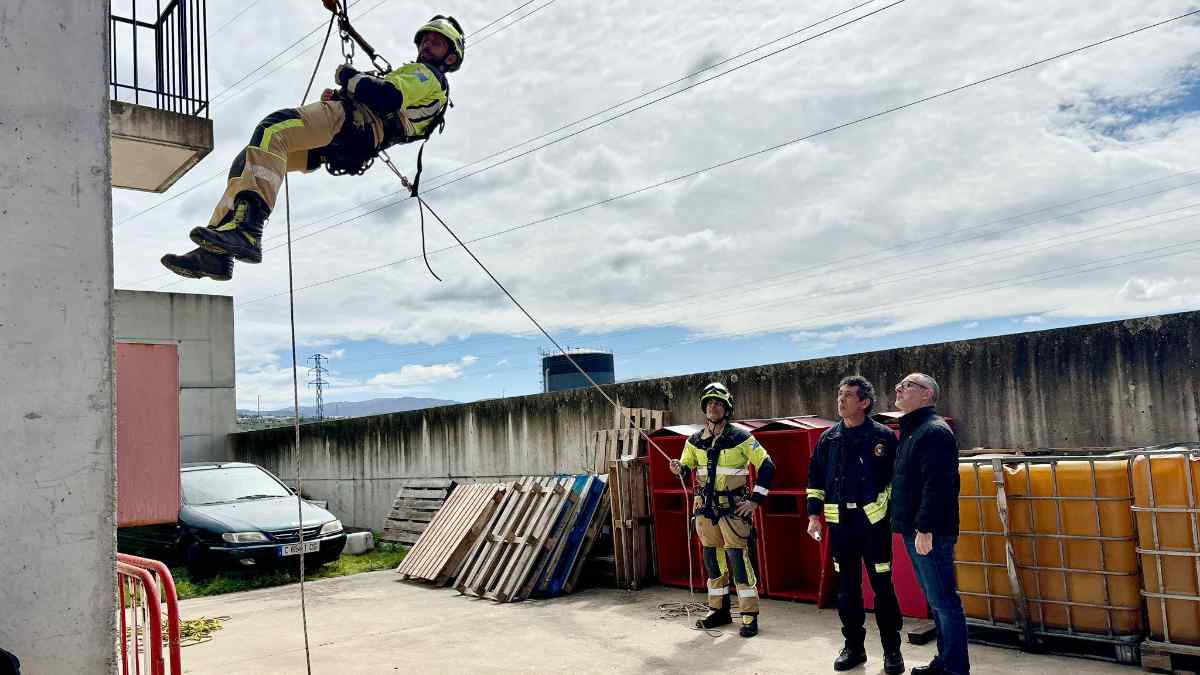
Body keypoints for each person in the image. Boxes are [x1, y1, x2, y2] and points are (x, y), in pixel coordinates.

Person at [161, 9, 465, 281]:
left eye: (436, 42)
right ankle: (216, 252)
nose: (426, 44)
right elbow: (389, 104)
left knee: (273, 129)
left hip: (349, 123)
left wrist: (347, 76)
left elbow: (386, 96)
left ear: (450, 57)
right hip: (347, 143)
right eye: (424, 39)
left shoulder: (427, 76)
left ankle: (247, 232)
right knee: (251, 158)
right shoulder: (425, 86)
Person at [807, 376, 905, 673]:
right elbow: (815, 479)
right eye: (839, 394)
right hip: (841, 528)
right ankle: (854, 648)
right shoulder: (829, 438)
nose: (841, 399)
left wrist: (880, 509)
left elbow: (895, 480)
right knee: (847, 591)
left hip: (873, 528)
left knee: (883, 589)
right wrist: (814, 516)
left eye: (848, 395)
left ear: (864, 402)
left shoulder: (883, 437)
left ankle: (892, 653)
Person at [669, 382, 776, 637]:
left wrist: (755, 501)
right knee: (713, 562)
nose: (712, 406)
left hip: (733, 512)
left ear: (726, 408)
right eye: (709, 403)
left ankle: (749, 615)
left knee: (739, 561)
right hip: (705, 512)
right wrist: (679, 469)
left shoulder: (741, 438)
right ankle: (718, 610)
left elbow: (768, 466)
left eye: (718, 403)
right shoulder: (694, 441)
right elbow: (685, 468)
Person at [891, 373, 968, 675]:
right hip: (915, 529)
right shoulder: (913, 430)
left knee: (945, 603)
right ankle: (945, 663)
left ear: (927, 395)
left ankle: (956, 669)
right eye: (899, 385)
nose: (899, 388)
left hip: (928, 532)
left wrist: (925, 528)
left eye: (908, 385)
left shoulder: (933, 431)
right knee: (937, 602)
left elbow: (937, 485)